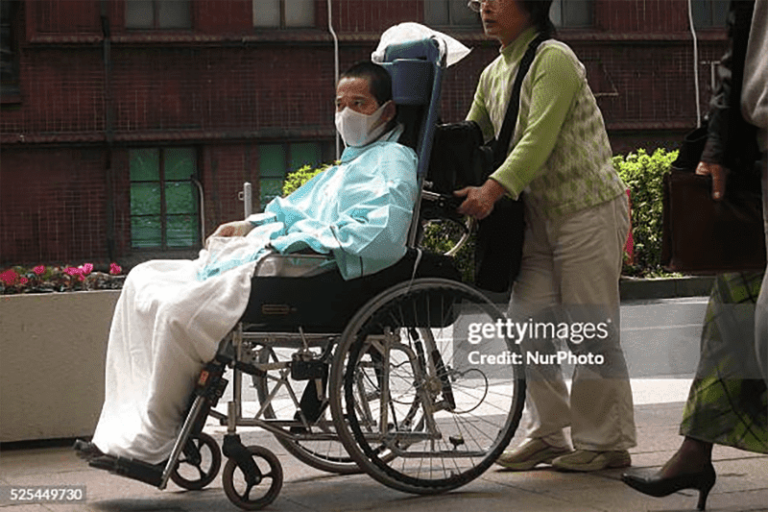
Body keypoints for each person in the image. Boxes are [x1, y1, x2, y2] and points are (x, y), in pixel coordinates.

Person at [74, 61, 418, 466]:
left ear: (387, 110)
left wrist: (294, 240)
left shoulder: (392, 160)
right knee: (142, 279)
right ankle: (120, 432)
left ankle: (153, 440)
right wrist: (250, 223)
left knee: (177, 313)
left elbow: (382, 235)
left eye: (358, 103)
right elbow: (291, 209)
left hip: (311, 273)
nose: (346, 114)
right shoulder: (346, 166)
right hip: (280, 260)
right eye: (340, 104)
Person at [457, 0, 635, 471]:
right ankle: (550, 434)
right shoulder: (492, 73)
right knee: (526, 325)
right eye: (481, 0)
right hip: (537, 217)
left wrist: (492, 190)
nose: (486, 7)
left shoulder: (553, 57)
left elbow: (540, 137)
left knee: (590, 329)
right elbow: (471, 137)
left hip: (588, 208)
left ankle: (606, 442)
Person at [622, 1, 768, 509]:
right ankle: (694, 453)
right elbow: (738, 53)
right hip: (758, 159)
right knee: (731, 317)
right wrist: (717, 147)